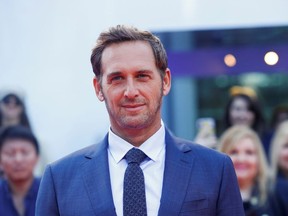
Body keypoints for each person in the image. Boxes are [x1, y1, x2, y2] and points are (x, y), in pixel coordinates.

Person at [36, 25, 244, 216]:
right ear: (99, 88)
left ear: (165, 82)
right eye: (117, 78)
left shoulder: (215, 169)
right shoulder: (60, 179)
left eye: (142, 76)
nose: (131, 91)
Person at [218, 125, 286, 215]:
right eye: (233, 152)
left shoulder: (280, 190)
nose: (241, 159)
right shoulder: (210, 197)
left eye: (249, 152)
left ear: (259, 158)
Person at [0, 125, 41, 216]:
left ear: (37, 158)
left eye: (25, 152)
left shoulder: (50, 191)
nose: (18, 159)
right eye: (10, 153)